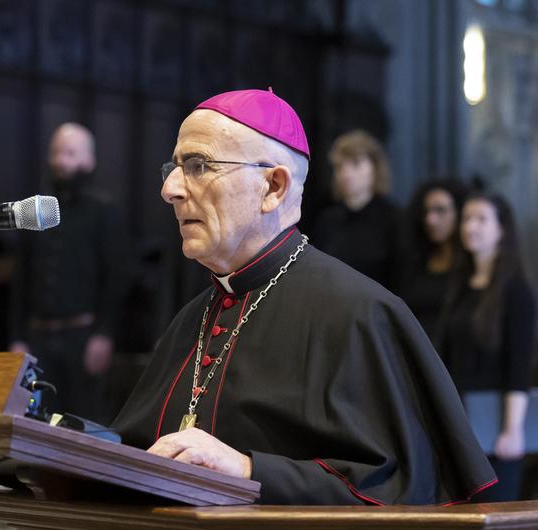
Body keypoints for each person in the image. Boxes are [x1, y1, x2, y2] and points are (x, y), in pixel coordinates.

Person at [113, 88, 495, 505]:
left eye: (199, 165)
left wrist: (247, 470)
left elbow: (399, 491)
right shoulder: (191, 320)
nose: (170, 189)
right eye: (174, 167)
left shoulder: (359, 313)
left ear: (273, 187)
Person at [9, 123, 130, 423]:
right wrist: (17, 338)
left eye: (71, 153)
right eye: (57, 153)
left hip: (82, 337)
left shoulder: (103, 211)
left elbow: (116, 276)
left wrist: (104, 334)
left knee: (81, 425)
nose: (61, 161)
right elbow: (20, 279)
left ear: (89, 160)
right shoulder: (33, 210)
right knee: (31, 424)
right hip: (37, 337)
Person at [436, 191, 535, 502]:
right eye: (467, 219)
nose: (470, 227)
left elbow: (519, 365)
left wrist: (512, 429)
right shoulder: (460, 284)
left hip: (496, 428)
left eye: (481, 219)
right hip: (462, 425)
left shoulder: (516, 290)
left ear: (501, 229)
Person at [309, 130, 401, 291]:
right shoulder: (327, 220)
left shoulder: (395, 220)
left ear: (375, 168)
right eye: (339, 166)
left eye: (356, 164)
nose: (346, 174)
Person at [399, 178, 467, 338]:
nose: (431, 220)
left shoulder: (470, 267)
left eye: (441, 210)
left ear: (460, 213)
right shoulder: (415, 262)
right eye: (426, 211)